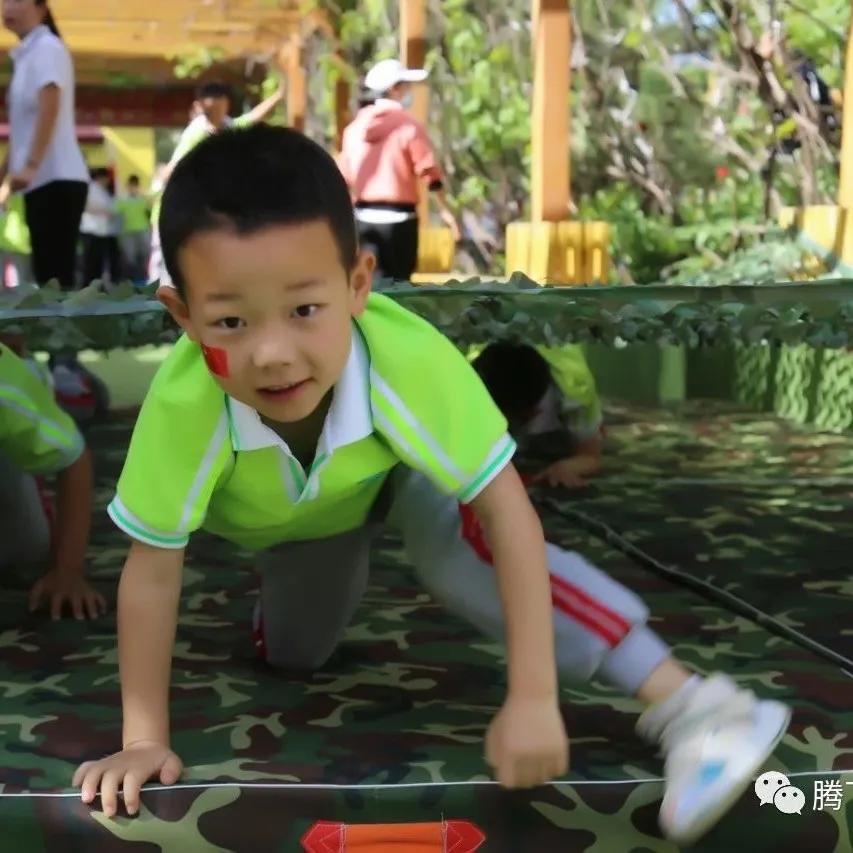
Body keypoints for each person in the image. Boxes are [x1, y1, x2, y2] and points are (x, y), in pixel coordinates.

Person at [72, 127, 789, 846]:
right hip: (306, 528)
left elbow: (507, 512)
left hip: (397, 478)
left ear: (358, 284)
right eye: (231, 320)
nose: (273, 353)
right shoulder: (184, 406)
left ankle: (697, 706)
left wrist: (533, 694)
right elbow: (153, 570)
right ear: (183, 315)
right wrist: (143, 739)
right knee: (294, 655)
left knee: (460, 548)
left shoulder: (407, 361)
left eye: (304, 309)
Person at [0, 339, 106, 619]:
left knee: (26, 547)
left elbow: (73, 457)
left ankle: (64, 373)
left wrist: (67, 570)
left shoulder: (5, 384)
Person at [148, 79, 286, 285]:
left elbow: (253, 117)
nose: (216, 110)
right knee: (166, 270)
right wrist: (163, 179)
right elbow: (172, 170)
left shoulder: (227, 128)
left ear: (225, 104)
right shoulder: (197, 133)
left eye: (219, 105)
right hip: (173, 211)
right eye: (211, 107)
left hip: (197, 213)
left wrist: (279, 95)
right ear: (201, 106)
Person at [338, 58, 460, 281]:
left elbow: (344, 178)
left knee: (369, 285)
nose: (410, 90)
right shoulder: (408, 126)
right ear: (394, 89)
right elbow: (430, 173)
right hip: (400, 221)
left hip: (363, 219)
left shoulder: (353, 130)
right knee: (399, 286)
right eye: (406, 85)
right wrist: (446, 211)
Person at [0, 0, 89, 289]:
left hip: (57, 177)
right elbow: (21, 130)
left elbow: (49, 106)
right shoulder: (26, 55)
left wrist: (31, 165)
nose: (7, 7)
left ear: (41, 8)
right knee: (47, 276)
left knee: (55, 280)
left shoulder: (47, 48)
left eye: (17, 0)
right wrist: (5, 175)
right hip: (40, 180)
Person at [472, 342, 602, 488]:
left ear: (533, 413)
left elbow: (591, 457)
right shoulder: (468, 378)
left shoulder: (577, 392)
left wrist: (566, 467)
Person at [80, 167, 122, 285]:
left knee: (98, 263)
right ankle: (88, 286)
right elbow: (86, 205)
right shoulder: (91, 188)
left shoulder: (103, 191)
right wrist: (105, 211)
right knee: (91, 264)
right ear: (101, 178)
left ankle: (97, 285)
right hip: (91, 231)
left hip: (103, 232)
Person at [115, 175, 150, 284]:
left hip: (143, 230)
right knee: (130, 257)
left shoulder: (143, 199)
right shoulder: (122, 200)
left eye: (135, 186)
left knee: (144, 254)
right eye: (131, 186)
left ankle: (143, 278)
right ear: (128, 186)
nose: (133, 188)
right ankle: (131, 280)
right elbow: (115, 213)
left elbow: (148, 212)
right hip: (127, 232)